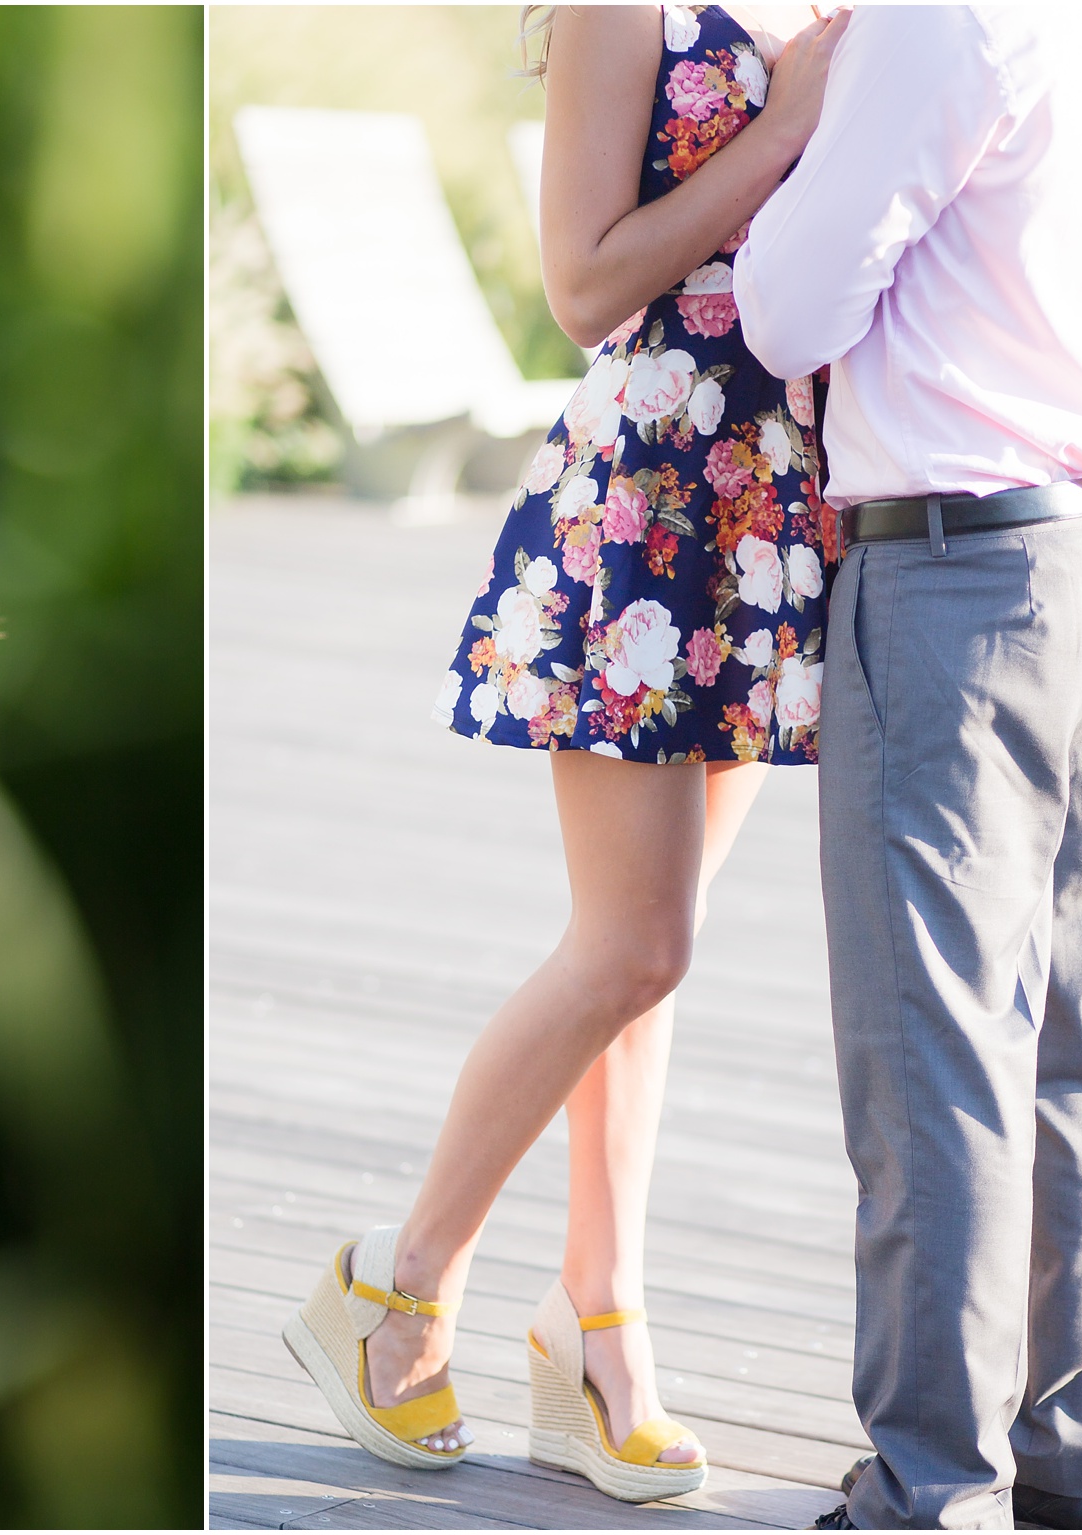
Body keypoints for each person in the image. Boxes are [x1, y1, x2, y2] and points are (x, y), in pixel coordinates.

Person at [281, 3, 849, 1503]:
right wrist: (786, 128)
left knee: (651, 952)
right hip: (650, 502)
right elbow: (582, 284)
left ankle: (598, 1329)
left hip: (765, 504)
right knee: (634, 948)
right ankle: (395, 1291)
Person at [730, 7, 1082, 1529]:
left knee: (932, 1048)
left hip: (958, 577)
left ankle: (927, 1492)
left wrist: (797, 121)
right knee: (1072, 1045)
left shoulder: (946, 16)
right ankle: (1071, 1471)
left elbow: (791, 310)